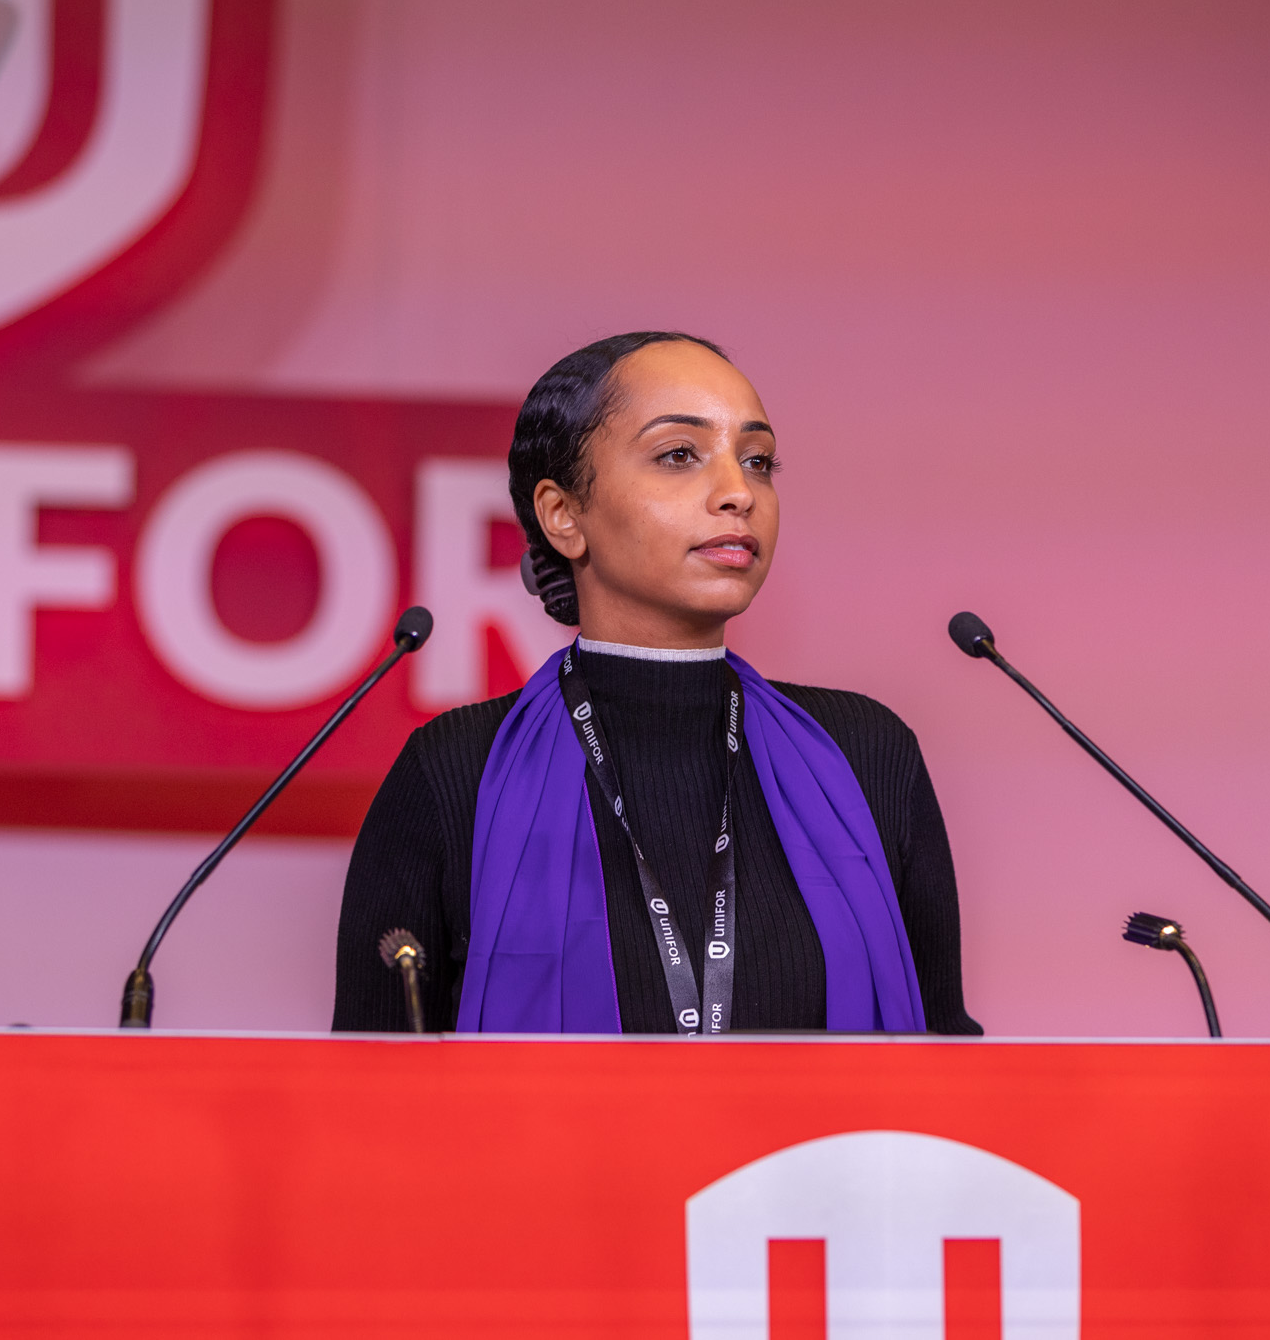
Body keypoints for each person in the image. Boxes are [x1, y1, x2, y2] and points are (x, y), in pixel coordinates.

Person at [333, 331, 980, 1035]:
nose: (739, 493)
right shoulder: (455, 770)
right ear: (563, 514)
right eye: (679, 455)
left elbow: (951, 1077)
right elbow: (362, 1103)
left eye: (758, 460)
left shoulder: (864, 756)